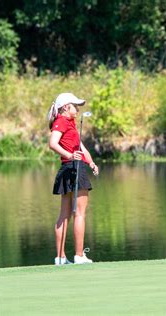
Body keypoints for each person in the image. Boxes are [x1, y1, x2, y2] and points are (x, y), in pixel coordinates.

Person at [47, 92, 99, 265]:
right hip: (73, 167)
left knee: (66, 215)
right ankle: (78, 255)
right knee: (79, 214)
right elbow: (53, 144)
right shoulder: (61, 121)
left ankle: (61, 258)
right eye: (74, 106)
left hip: (70, 167)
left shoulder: (69, 123)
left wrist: (91, 162)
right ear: (65, 108)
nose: (77, 109)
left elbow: (80, 147)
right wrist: (71, 155)